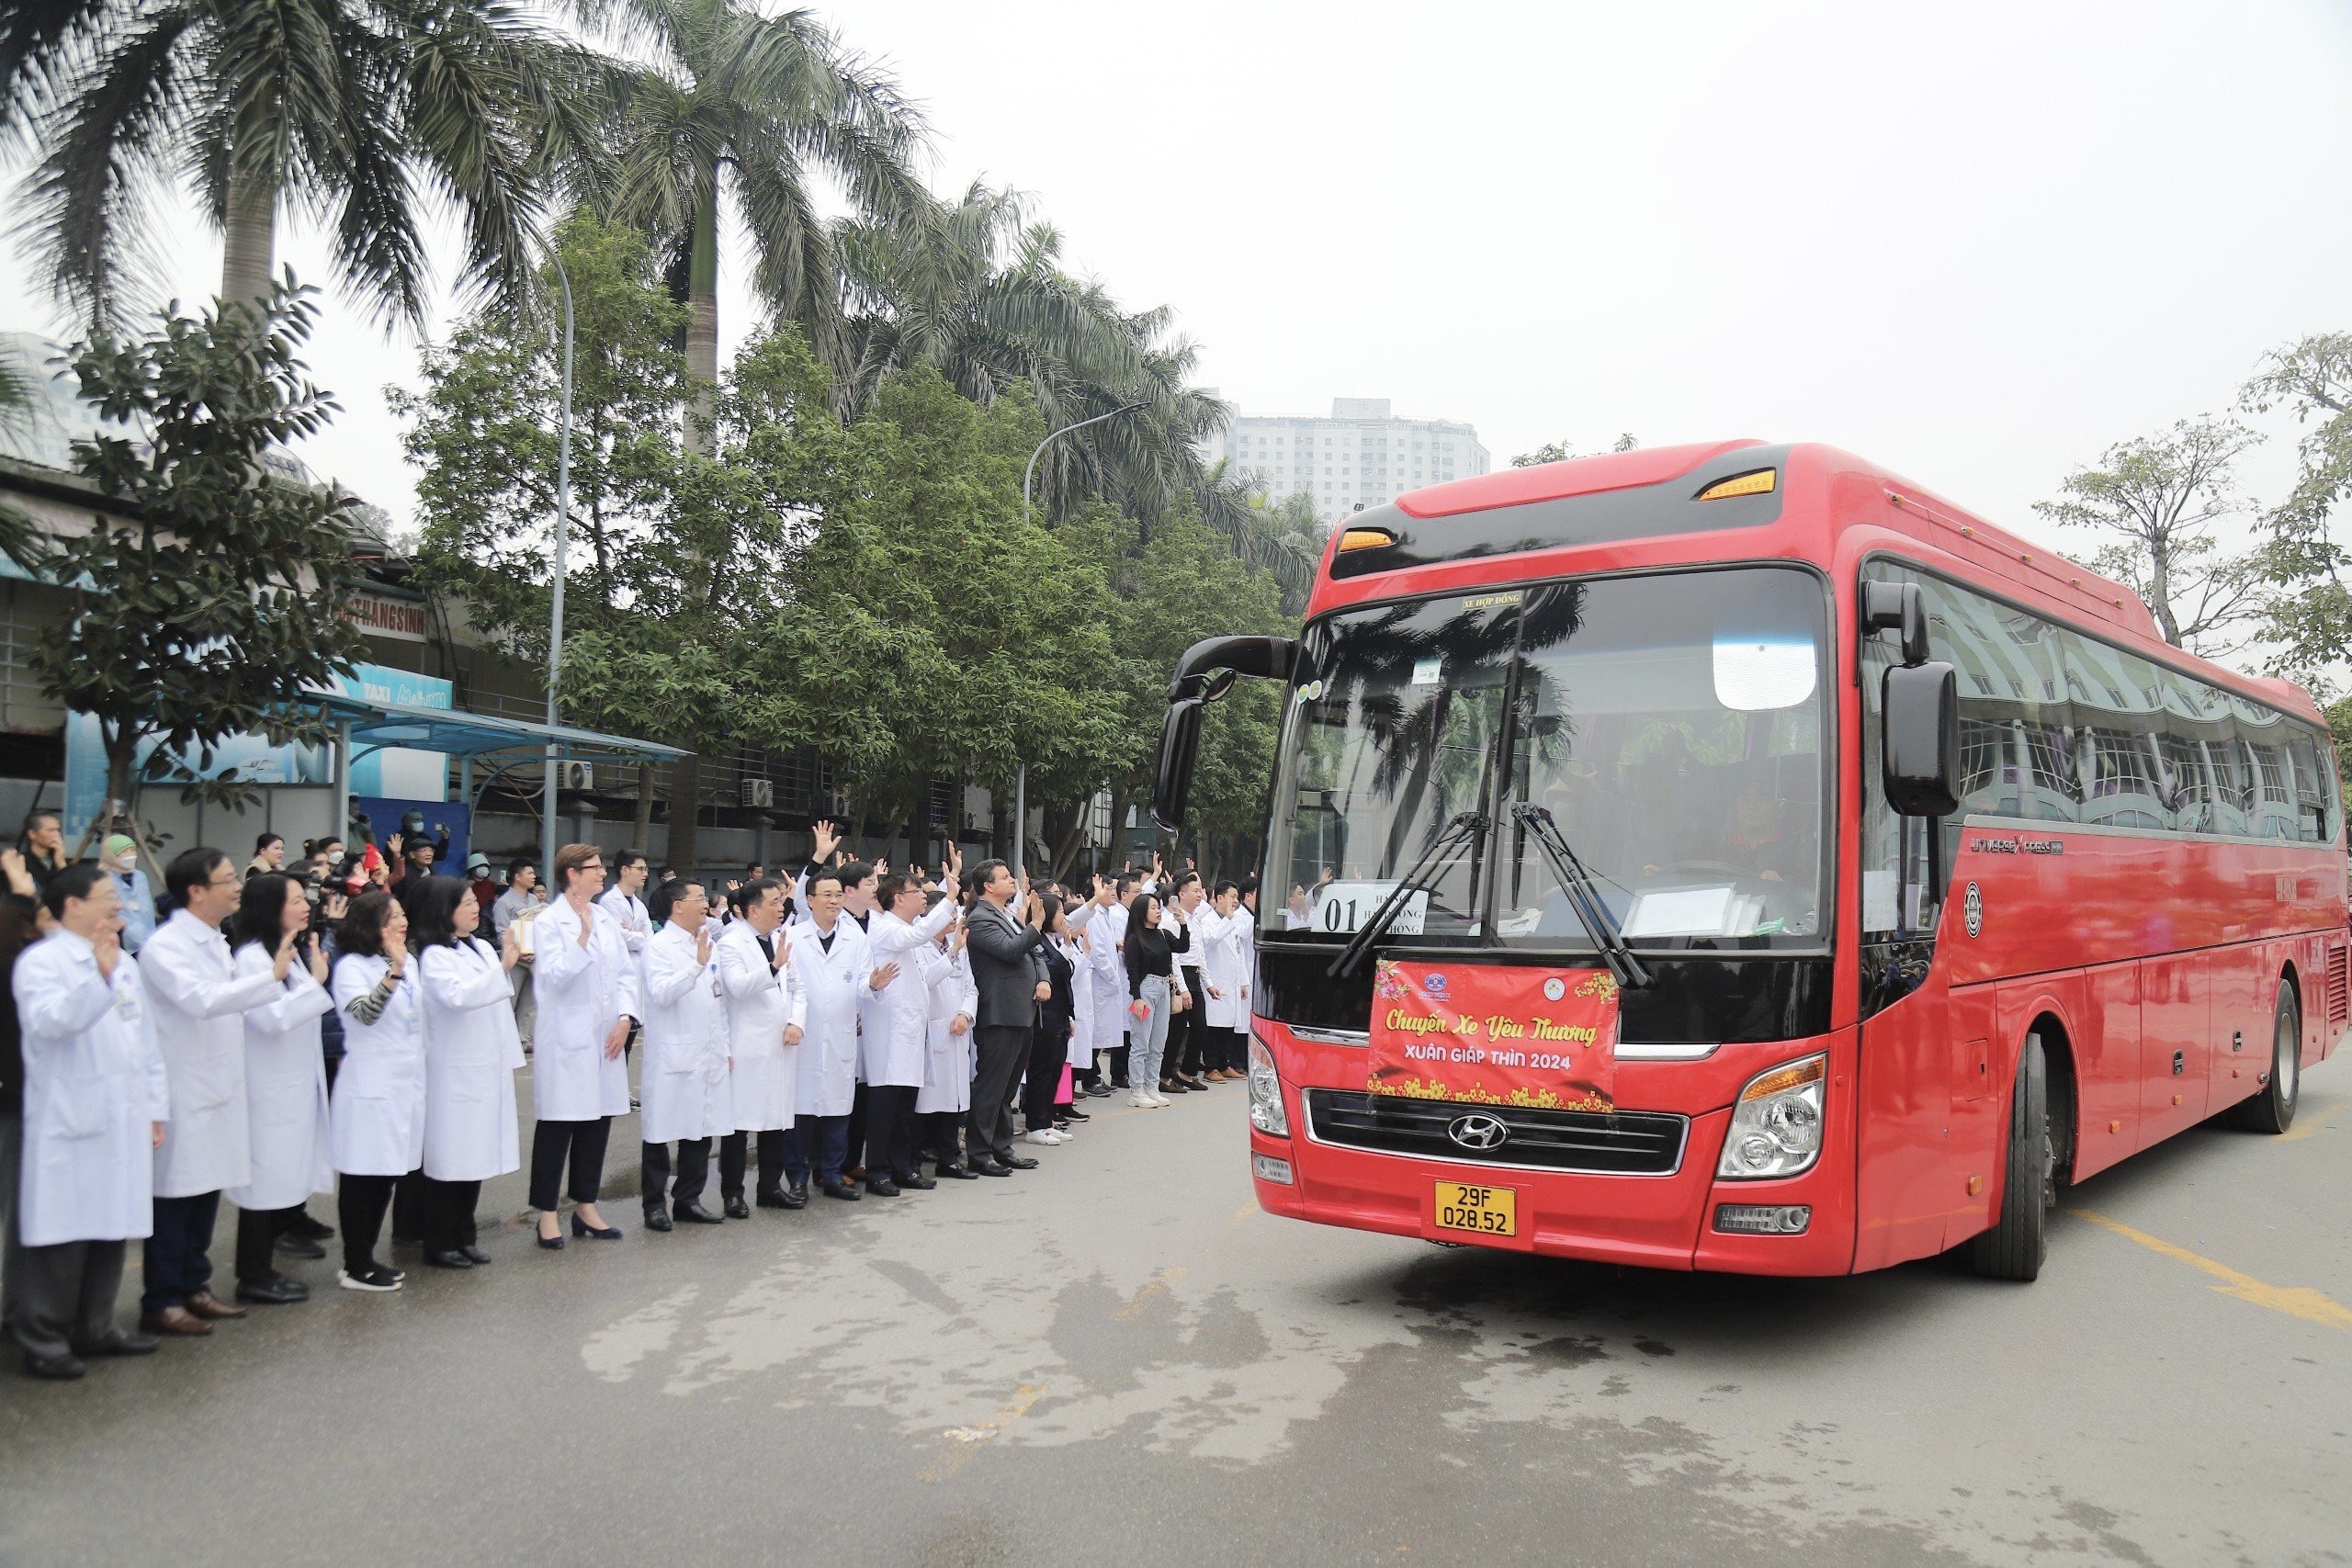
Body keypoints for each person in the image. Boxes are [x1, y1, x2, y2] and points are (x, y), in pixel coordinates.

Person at [6, 865, 166, 1378]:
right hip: (69, 1120)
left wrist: (155, 1108)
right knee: (60, 1236)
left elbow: (146, 1043)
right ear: (73, 905)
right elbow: (51, 1023)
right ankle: (44, 1336)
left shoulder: (123, 963)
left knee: (111, 1226)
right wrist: (97, 977)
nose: (119, 907)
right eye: (107, 899)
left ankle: (95, 1327)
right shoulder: (42, 962)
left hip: (122, 1116)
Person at [139, 847, 296, 1336]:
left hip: (219, 1086)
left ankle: (195, 1286)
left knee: (206, 1191)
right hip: (184, 1090)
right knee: (175, 1197)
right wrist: (269, 980)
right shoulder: (165, 947)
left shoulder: (214, 939)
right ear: (196, 891)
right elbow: (202, 1001)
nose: (238, 887)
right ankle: (161, 1298)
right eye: (229, 880)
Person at [222, 874, 334, 1307]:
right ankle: (252, 1275)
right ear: (270, 907)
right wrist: (316, 983)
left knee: (281, 1175)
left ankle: (265, 1265)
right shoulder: (253, 958)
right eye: (294, 901)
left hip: (291, 1085)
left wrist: (311, 978)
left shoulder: (285, 951)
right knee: (262, 1184)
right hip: (266, 1089)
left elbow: (299, 1002)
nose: (305, 906)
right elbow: (271, 1019)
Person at [408, 875, 525, 1269]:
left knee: (474, 1154)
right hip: (454, 1068)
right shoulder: (433, 956)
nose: (476, 909)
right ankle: (439, 1241)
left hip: (483, 1063)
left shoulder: (477, 947)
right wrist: (505, 966)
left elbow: (497, 1007)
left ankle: (465, 1234)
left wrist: (507, 1056)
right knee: (451, 1158)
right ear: (445, 910)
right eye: (467, 903)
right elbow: (458, 997)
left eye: (476, 902)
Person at [528, 843, 639, 1248]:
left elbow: (626, 975)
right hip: (568, 1042)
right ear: (572, 874)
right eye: (594, 868)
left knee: (597, 1125)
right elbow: (555, 979)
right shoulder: (549, 921)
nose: (602, 874)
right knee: (558, 1126)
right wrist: (582, 936)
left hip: (607, 1040)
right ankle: (545, 1213)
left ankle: (586, 1206)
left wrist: (626, 1019)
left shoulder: (606, 919)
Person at [328, 891, 421, 1292]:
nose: (402, 922)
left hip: (402, 1083)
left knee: (384, 1175)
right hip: (369, 1084)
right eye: (392, 917)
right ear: (371, 925)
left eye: (402, 915)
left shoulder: (406, 962)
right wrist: (395, 972)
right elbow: (365, 1014)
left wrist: (400, 966)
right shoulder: (351, 966)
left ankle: (367, 1256)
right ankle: (354, 1264)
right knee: (362, 1176)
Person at [785, 870, 883, 1201]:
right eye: (826, 895)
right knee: (800, 1114)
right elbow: (787, 985)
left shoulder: (855, 939)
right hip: (804, 1035)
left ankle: (831, 1175)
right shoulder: (794, 938)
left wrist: (873, 984)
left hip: (841, 1034)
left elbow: (863, 981)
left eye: (838, 895)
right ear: (809, 901)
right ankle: (797, 1178)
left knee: (838, 1111)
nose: (834, 901)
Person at [639, 878, 730, 1230]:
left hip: (707, 1051)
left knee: (701, 1127)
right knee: (660, 1130)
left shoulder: (708, 943)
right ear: (678, 905)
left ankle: (688, 1199)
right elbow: (661, 993)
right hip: (672, 1053)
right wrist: (695, 966)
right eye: (699, 899)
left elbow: (718, 1000)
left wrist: (725, 1046)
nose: (706, 904)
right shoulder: (658, 946)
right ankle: (654, 1205)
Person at [860, 867, 958, 1194]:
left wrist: (952, 955)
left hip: (913, 1032)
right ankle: (878, 1171)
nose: (922, 898)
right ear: (899, 898)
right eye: (917, 893)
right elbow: (917, 937)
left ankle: (902, 1167)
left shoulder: (909, 929)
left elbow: (924, 979)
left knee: (905, 1110)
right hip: (890, 1033)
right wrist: (950, 899)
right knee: (885, 1109)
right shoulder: (886, 928)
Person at [715, 878, 803, 1214]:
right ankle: (733, 1193)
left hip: (782, 1043)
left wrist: (797, 1021)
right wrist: (773, 967)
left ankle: (770, 1186)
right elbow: (737, 987)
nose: (782, 908)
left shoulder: (781, 938)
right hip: (748, 1043)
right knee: (739, 1124)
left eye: (782, 902)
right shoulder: (731, 942)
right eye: (775, 903)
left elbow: (799, 988)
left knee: (776, 1120)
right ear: (753, 910)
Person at [963, 860, 1047, 1176]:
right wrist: (1036, 924)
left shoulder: (1006, 916)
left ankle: (1002, 1147)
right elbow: (1012, 950)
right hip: (999, 1012)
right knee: (991, 1086)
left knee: (1008, 1087)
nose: (1012, 880)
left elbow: (1035, 954)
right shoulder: (981, 919)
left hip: (1021, 1010)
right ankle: (980, 1152)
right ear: (987, 885)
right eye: (1005, 877)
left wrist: (1043, 979)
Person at [918, 897, 977, 1177]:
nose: (955, 918)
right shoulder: (917, 947)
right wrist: (952, 951)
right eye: (949, 914)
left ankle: (949, 1160)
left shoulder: (959, 948)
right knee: (928, 1102)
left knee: (953, 1100)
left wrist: (965, 1014)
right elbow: (924, 981)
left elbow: (971, 988)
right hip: (931, 1033)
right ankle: (918, 1157)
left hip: (957, 1030)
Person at [1123, 892, 1183, 1110]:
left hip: (1164, 987)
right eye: (1153, 907)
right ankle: (1136, 1091)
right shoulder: (1134, 939)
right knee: (1140, 1044)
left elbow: (1183, 947)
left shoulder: (1163, 934)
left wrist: (1182, 923)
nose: (1158, 911)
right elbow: (1133, 971)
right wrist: (1137, 998)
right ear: (1142, 912)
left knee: (1158, 1043)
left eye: (1159, 907)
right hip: (1146, 990)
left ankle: (1152, 1087)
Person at [1194, 879, 1250, 1082]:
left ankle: (1224, 1065)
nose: (1235, 901)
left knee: (1228, 1026)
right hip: (1215, 980)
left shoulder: (1231, 921)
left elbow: (1239, 952)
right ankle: (1211, 1068)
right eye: (1232, 897)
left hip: (1232, 980)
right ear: (1219, 898)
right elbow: (1211, 940)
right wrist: (1227, 919)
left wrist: (1243, 981)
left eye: (1236, 897)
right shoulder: (1208, 921)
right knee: (1214, 1026)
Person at [1162, 874, 1210, 1094]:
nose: (1200, 895)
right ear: (1181, 894)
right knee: (1177, 1031)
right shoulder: (1172, 920)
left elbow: (1200, 956)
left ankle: (1186, 1073)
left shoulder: (1195, 919)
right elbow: (1173, 957)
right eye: (1195, 891)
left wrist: (1209, 983)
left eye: (1200, 890)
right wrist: (1182, 989)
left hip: (1195, 976)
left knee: (1200, 1028)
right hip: (1179, 977)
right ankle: (1163, 1077)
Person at [493, 861, 544, 1051]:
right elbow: (501, 931)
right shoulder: (504, 902)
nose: (533, 877)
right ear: (517, 876)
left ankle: (522, 1038)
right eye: (529, 873)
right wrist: (515, 953)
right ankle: (503, 1039)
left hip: (533, 956)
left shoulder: (533, 900)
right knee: (510, 999)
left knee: (529, 1002)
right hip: (515, 958)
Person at [97, 835, 155, 954]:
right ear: (111, 855)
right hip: (120, 938)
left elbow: (148, 909)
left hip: (149, 938)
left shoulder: (140, 876)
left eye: (132, 850)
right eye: (123, 851)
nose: (130, 854)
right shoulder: (103, 878)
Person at [18, 810, 65, 897]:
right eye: (51, 830)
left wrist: (61, 863)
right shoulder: (20, 862)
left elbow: (72, 889)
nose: (57, 834)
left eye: (58, 830)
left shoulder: (60, 859)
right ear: (32, 834)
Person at [465, 852, 501, 917]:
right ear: (472, 869)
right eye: (480, 866)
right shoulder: (466, 887)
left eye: (485, 866)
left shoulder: (492, 885)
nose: (484, 868)